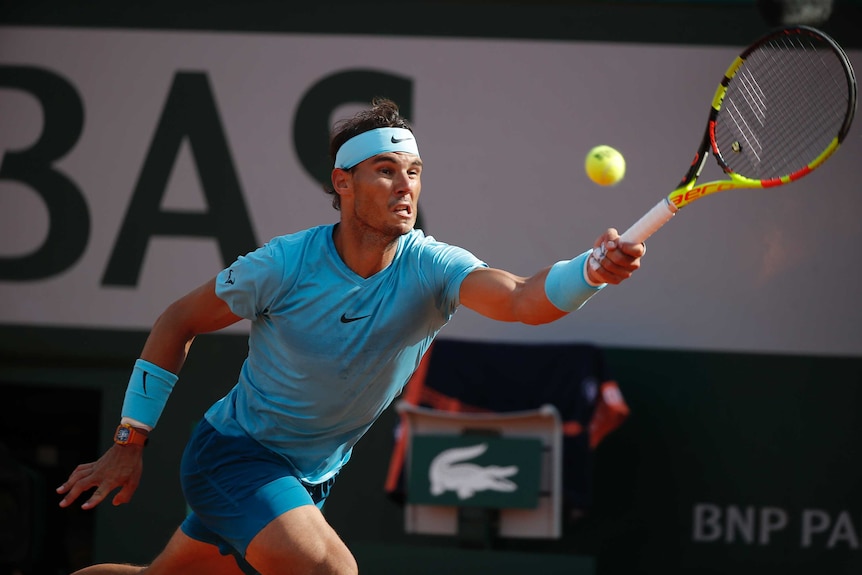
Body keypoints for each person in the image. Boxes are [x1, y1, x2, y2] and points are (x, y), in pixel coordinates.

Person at [57, 98, 645, 575]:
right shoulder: (283, 265)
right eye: (385, 171)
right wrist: (129, 441)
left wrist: (591, 271)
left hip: (308, 476)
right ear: (343, 183)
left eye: (413, 172)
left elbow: (521, 299)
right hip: (235, 455)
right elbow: (177, 321)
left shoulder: (433, 267)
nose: (404, 187)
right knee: (331, 573)